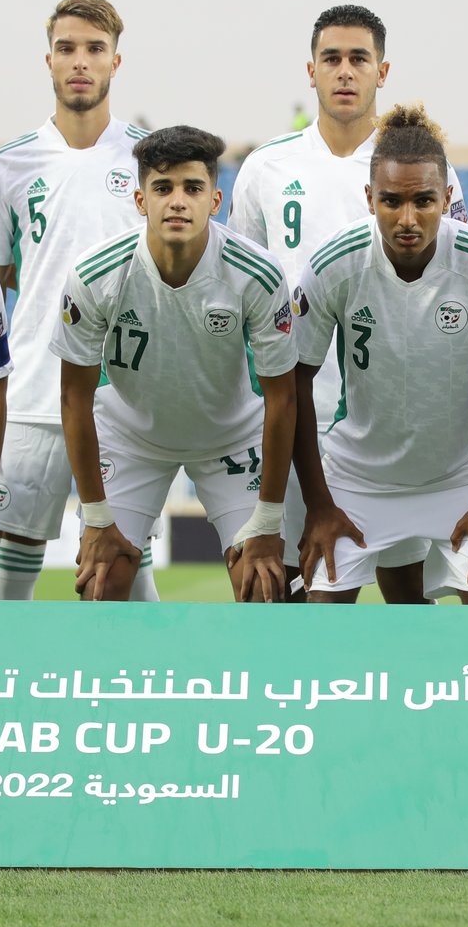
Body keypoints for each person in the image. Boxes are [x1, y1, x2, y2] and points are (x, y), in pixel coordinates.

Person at [228, 5, 468, 593]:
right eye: (331, 58)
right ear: (310, 70)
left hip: (389, 423)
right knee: (282, 587)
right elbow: (240, 291)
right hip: (291, 413)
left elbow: (454, 283)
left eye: (359, 58)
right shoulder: (265, 168)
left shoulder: (417, 168)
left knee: (404, 592)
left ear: (382, 71)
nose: (344, 71)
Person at [288, 106, 468, 604]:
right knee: (321, 616)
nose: (408, 219)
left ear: (448, 198)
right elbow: (293, 383)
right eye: (391, 201)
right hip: (358, 479)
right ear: (369, 198)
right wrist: (319, 505)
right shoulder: (335, 262)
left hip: (459, 477)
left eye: (424, 201)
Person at [51, 126, 297, 604]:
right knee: (102, 584)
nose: (178, 202)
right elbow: (73, 396)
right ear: (141, 200)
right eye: (162, 188)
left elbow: (283, 398)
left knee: (264, 588)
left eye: (193, 188)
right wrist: (96, 517)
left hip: (230, 438)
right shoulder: (94, 273)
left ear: (215, 200)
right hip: (131, 439)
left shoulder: (259, 274)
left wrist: (268, 520)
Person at [0, 0, 153, 602]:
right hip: (33, 393)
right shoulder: (10, 163)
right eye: (67, 48)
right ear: (47, 60)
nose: (80, 62)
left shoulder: (150, 159)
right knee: (7, 583)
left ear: (115, 62)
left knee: (119, 576)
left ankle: (137, 672)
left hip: (124, 397)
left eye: (95, 49)